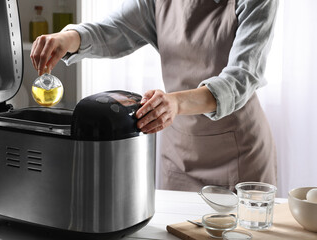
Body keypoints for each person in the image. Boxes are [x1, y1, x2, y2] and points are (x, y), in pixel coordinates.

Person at [30, 0, 278, 191]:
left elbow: (242, 76)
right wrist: (69, 37)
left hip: (238, 153)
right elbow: (115, 29)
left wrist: (176, 103)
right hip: (179, 152)